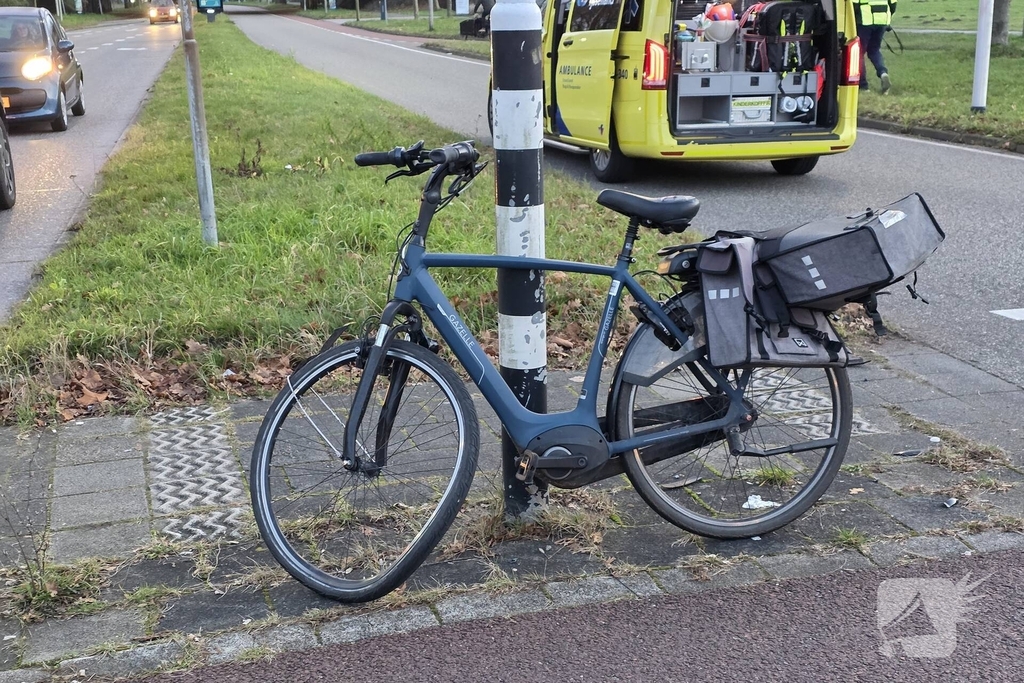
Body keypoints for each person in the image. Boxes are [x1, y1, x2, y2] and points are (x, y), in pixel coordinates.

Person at [854, 0, 896, 93]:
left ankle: (863, 86)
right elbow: (893, 5)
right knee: (874, 50)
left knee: (859, 52)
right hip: (882, 20)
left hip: (865, 20)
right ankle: (883, 73)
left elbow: (854, 4)